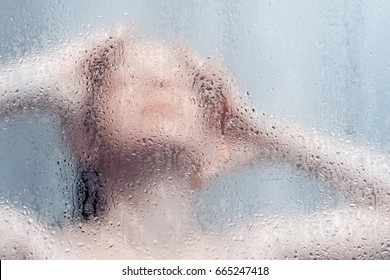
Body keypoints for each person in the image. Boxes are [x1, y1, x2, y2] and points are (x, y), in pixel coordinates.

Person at [1, 28, 390, 259]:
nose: (159, 84)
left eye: (180, 81)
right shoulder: (37, 251)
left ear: (212, 149)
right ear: (86, 138)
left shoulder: (251, 254)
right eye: (128, 78)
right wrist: (39, 81)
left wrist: (264, 132)